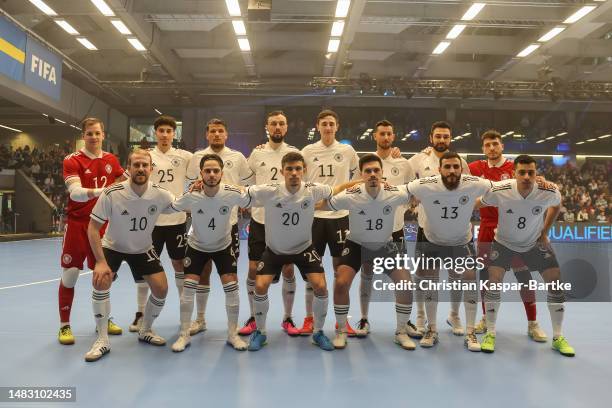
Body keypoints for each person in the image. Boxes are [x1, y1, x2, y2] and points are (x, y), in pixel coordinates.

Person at [246, 152, 352, 351]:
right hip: (275, 250)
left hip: (304, 248)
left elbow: (336, 189)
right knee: (260, 286)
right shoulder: (269, 190)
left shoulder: (313, 189)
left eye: (298, 169)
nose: (294, 173)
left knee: (321, 286)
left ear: (304, 171)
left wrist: (358, 183)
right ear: (282, 171)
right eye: (289, 169)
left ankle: (318, 332)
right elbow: (240, 192)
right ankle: (260, 332)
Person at [477, 155, 575, 357]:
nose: (527, 176)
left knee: (555, 281)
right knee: (492, 281)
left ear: (536, 173)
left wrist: (544, 232)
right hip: (503, 243)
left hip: (533, 244)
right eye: (522, 172)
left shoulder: (548, 190)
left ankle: (557, 337)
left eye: (531, 172)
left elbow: (557, 205)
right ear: (514, 173)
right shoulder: (501, 189)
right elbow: (478, 203)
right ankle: (491, 333)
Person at [85, 149, 175, 362]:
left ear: (152, 168)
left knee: (161, 288)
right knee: (100, 281)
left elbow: (184, 204)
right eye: (136, 165)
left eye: (145, 165)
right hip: (113, 246)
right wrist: (99, 261)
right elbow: (92, 228)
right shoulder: (111, 193)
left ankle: (145, 329)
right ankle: (102, 339)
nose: (141, 169)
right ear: (129, 168)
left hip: (142, 248)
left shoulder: (162, 194)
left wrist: (198, 188)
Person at [319, 154, 416, 350]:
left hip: (384, 245)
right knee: (341, 282)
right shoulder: (351, 194)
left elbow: (418, 195)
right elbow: (323, 205)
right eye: (368, 171)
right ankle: (341, 332)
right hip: (356, 244)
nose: (372, 174)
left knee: (405, 283)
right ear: (361, 175)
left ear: (382, 173)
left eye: (376, 171)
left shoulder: (395, 193)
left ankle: (401, 332)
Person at [406, 151, 492, 351]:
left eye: (456, 167)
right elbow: (402, 191)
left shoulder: (473, 183)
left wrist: (478, 203)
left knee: (470, 276)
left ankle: (470, 332)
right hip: (433, 240)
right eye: (447, 167)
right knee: (429, 279)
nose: (452, 170)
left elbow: (496, 188)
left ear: (462, 169)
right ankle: (432, 329)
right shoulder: (426, 184)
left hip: (461, 241)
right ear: (439, 169)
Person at [469, 130, 546, 341]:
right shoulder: (475, 168)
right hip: (486, 228)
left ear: (502, 146)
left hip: (513, 229)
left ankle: (533, 323)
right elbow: (451, 170)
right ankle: (486, 318)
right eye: (487, 145)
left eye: (495, 143)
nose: (492, 148)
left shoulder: (517, 168)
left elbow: (538, 183)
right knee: (486, 277)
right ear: (483, 149)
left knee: (523, 275)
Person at [169, 154, 249, 352]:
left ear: (222, 173)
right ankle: (184, 334)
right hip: (197, 246)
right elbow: (169, 206)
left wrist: (241, 189)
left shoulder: (231, 193)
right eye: (207, 171)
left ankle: (232, 334)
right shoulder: (191, 195)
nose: (212, 174)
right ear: (201, 173)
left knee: (232, 286)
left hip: (223, 246)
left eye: (216, 171)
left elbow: (253, 196)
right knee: (188, 289)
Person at [58, 118, 126, 345]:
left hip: (103, 224)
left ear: (103, 135)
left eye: (97, 133)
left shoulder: (111, 159)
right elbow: (75, 192)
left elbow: (124, 180)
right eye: (89, 133)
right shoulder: (72, 160)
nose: (94, 137)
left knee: (104, 275)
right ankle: (64, 325)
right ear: (83, 136)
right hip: (78, 224)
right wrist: (103, 191)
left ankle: (104, 320)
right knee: (70, 275)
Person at [350, 120, 420, 339]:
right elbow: (353, 189)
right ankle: (363, 317)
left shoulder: (405, 164)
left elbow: (412, 194)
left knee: (402, 277)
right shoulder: (366, 163)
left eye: (389, 133)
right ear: (375, 136)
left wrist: (409, 201)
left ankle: (404, 322)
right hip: (368, 229)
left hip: (396, 229)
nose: (386, 137)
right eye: (382, 133)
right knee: (367, 273)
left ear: (393, 136)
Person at [186, 119, 252, 335]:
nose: (216, 134)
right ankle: (201, 319)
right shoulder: (197, 157)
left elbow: (248, 185)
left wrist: (239, 197)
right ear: (207, 135)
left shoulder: (238, 157)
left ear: (226, 135)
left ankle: (231, 329)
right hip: (201, 223)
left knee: (229, 275)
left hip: (229, 223)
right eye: (212, 131)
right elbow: (188, 184)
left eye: (220, 131)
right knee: (202, 271)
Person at [239, 111, 302, 336]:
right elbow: (246, 182)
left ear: (286, 128)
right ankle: (254, 317)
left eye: (281, 124)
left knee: (288, 269)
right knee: (253, 270)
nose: (277, 127)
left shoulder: (295, 153)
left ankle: (288, 317)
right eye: (273, 123)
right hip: (260, 220)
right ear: (267, 127)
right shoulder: (257, 153)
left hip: (286, 222)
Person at [129, 115, 193, 333]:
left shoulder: (185, 156)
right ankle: (140, 314)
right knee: (144, 267)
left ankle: (185, 315)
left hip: (176, 220)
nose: (165, 134)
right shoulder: (146, 157)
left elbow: (207, 164)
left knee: (179, 265)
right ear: (155, 133)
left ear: (174, 134)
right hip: (151, 221)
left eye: (169, 131)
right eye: (161, 131)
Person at [300, 109, 360, 336]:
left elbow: (356, 177)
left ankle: (341, 321)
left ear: (337, 127)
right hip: (314, 219)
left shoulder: (347, 151)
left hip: (340, 217)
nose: (327, 127)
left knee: (340, 272)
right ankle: (308, 319)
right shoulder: (307, 151)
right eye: (324, 123)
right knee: (311, 271)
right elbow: (303, 182)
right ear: (318, 126)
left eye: (331, 124)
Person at [407, 121, 470, 335]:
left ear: (450, 139)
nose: (442, 140)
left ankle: (454, 315)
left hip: (455, 230)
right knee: (423, 275)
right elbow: (405, 184)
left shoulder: (460, 162)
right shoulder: (418, 160)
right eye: (438, 136)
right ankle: (421, 316)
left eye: (445, 137)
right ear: (431, 138)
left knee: (457, 273)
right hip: (427, 227)